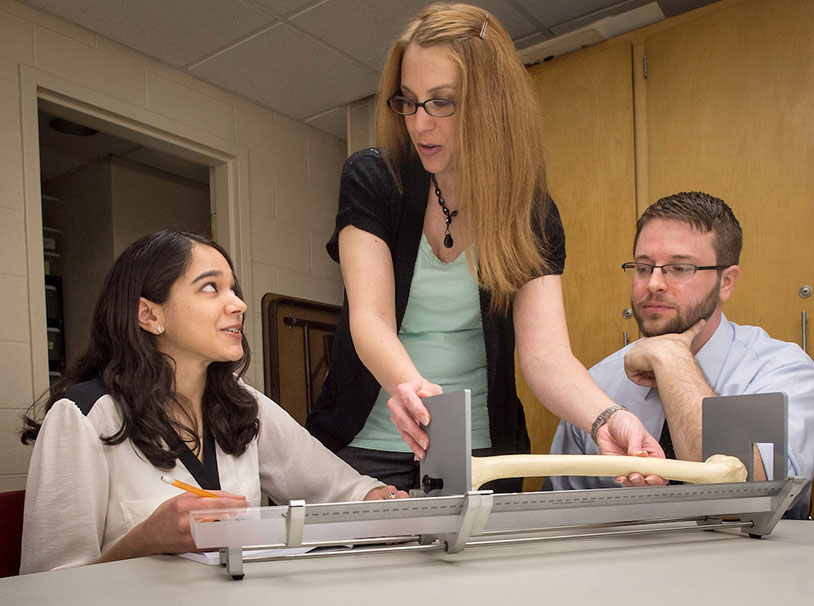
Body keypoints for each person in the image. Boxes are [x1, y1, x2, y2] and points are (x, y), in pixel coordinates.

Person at [306, 2, 663, 492]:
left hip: (483, 455)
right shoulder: (375, 179)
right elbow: (369, 319)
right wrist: (414, 392)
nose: (420, 124)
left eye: (442, 102)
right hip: (365, 447)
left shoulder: (531, 212)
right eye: (408, 101)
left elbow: (546, 357)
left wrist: (606, 418)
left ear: (491, 104)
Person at [19, 231, 406, 574]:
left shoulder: (245, 404)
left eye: (234, 289)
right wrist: (146, 540)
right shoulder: (82, 418)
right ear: (149, 315)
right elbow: (46, 586)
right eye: (210, 288)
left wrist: (380, 500)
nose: (238, 304)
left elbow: (342, 490)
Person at [548, 192, 814, 518]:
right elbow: (561, 516)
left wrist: (671, 359)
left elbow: (747, 504)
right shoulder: (596, 386)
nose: (654, 283)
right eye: (644, 267)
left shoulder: (781, 374)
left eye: (679, 268)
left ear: (726, 281)